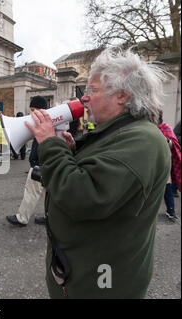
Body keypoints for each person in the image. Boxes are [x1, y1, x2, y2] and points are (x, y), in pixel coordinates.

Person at [27, 48, 171, 298]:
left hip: (101, 285)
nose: (84, 98)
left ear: (122, 96)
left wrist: (50, 146)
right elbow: (99, 173)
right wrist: (69, 152)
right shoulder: (124, 133)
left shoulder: (142, 141)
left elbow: (83, 196)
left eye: (92, 90)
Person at [6, 96, 48, 227]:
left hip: (40, 164)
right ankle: (52, 218)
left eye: (33, 109)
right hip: (45, 163)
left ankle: (22, 218)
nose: (31, 113)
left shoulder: (44, 123)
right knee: (51, 194)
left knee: (31, 191)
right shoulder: (46, 122)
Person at [157, 111, 181, 220]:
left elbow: (173, 143)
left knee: (167, 186)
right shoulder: (148, 128)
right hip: (151, 162)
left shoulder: (166, 127)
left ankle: (171, 210)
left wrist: (164, 140)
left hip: (164, 162)